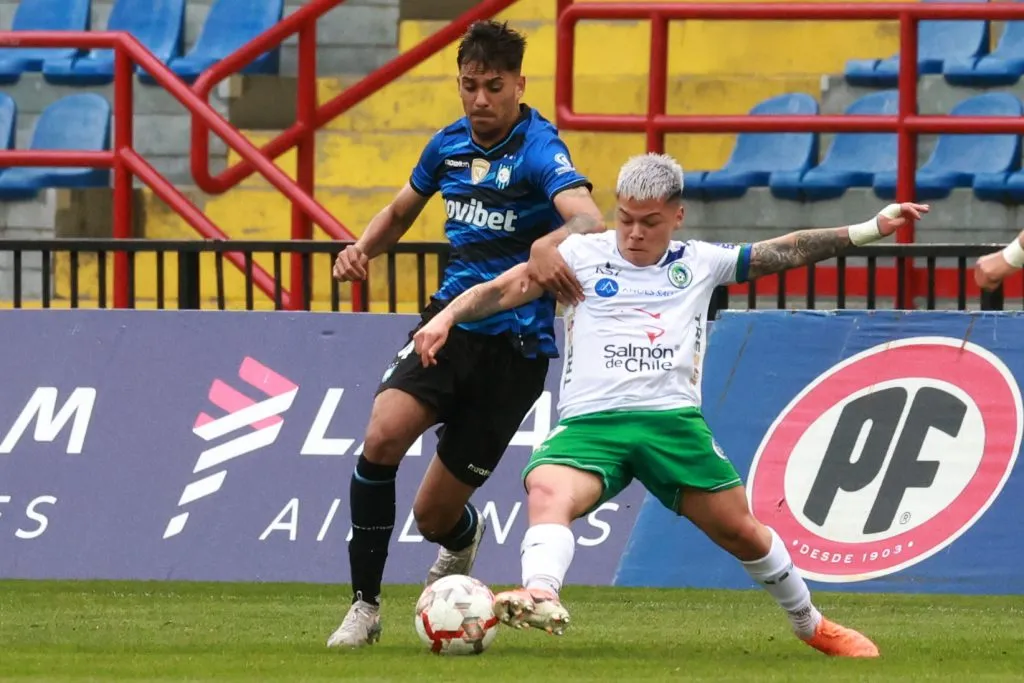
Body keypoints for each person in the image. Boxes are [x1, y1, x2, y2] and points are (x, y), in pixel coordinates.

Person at [413, 152, 931, 658]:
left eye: (651, 222)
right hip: (591, 425)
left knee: (743, 533)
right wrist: (446, 319)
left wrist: (868, 229)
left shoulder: (700, 263)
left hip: (671, 423)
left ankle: (811, 624)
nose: (635, 233)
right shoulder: (577, 257)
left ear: (677, 216)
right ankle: (542, 594)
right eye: (627, 220)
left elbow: (786, 250)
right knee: (548, 487)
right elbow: (503, 290)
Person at [326, 19, 605, 648]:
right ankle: (364, 607)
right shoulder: (447, 146)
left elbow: (589, 217)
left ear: (518, 86)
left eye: (493, 87)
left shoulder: (538, 148)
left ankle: (462, 536)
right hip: (446, 327)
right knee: (381, 436)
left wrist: (548, 242)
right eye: (470, 86)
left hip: (516, 351)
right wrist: (360, 249)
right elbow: (402, 209)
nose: (480, 100)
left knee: (434, 516)